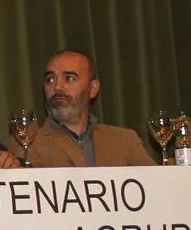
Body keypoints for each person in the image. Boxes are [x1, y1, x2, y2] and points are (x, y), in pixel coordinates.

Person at [22, 50, 155, 168]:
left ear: (93, 89)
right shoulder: (27, 142)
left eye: (69, 78)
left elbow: (156, 185)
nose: (57, 87)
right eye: (50, 80)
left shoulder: (125, 141)